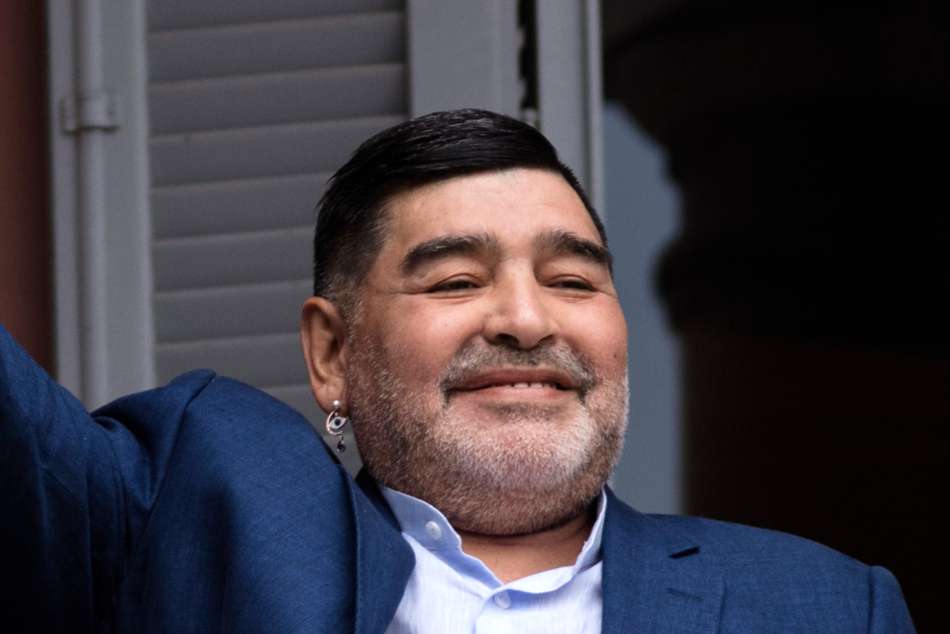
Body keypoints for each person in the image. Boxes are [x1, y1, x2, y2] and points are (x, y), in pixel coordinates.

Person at [1, 109, 914, 633]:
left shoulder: (827, 608)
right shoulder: (199, 510)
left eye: (571, 280)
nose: (526, 320)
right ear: (331, 354)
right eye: (455, 281)